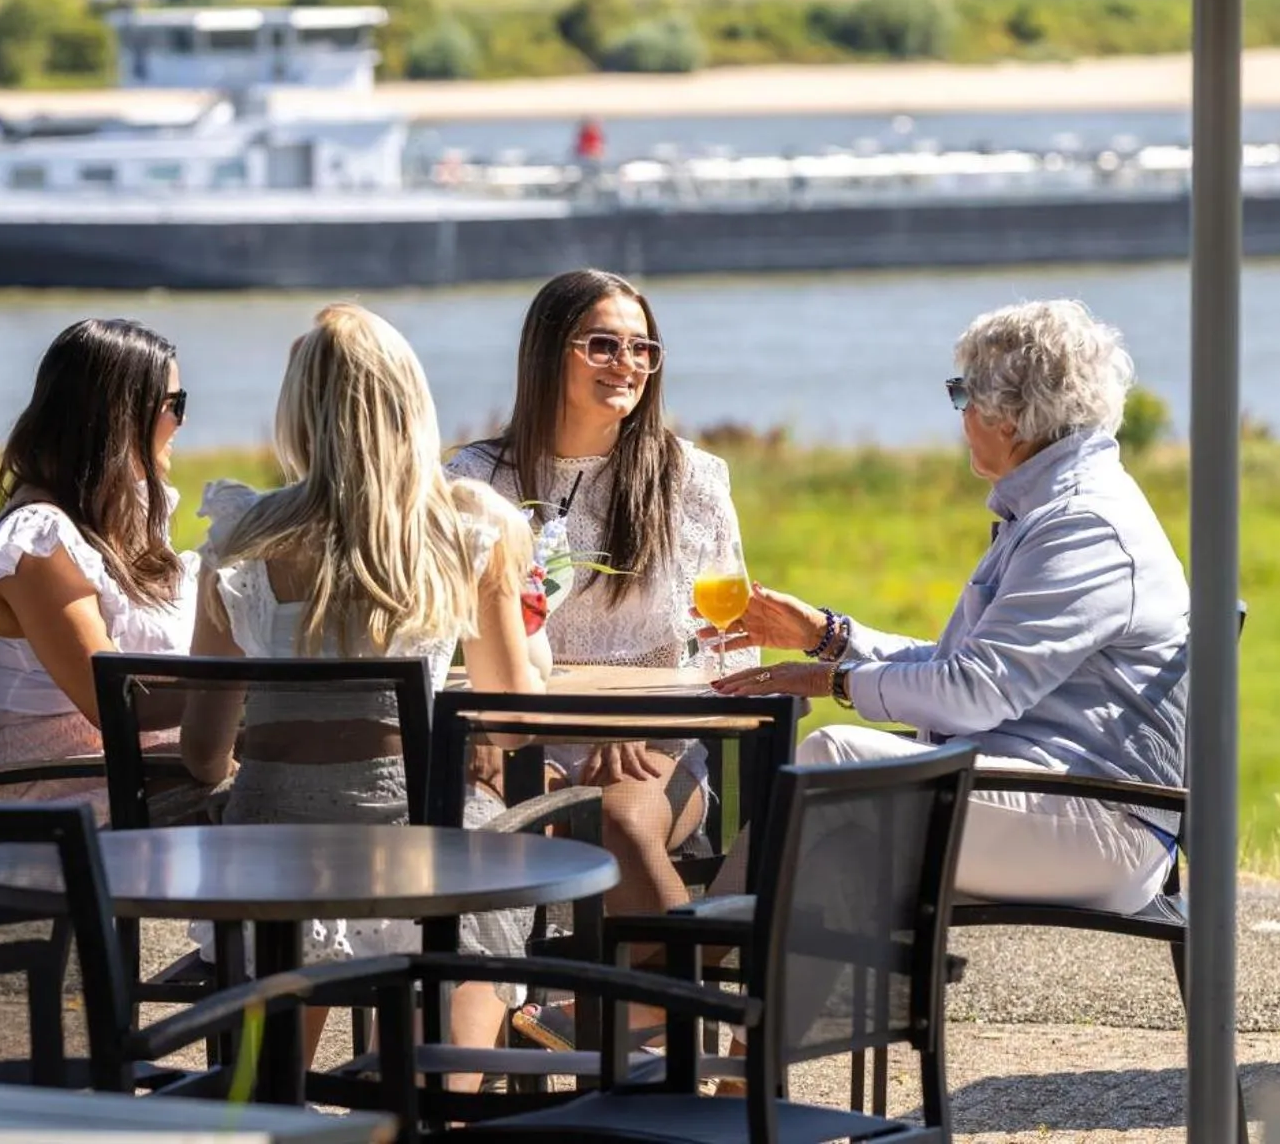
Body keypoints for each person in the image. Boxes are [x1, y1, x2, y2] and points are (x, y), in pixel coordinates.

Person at [712, 299, 1187, 916]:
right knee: (838, 796)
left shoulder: (1082, 525)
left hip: (1100, 827)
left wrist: (835, 682)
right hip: (1052, 798)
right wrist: (829, 637)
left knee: (835, 760)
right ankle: (715, 976)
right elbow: (962, 669)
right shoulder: (1054, 508)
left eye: (963, 396)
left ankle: (688, 976)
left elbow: (974, 692)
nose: (961, 416)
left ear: (1009, 417)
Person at [182, 303, 545, 1077]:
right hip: (414, 853)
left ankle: (273, 1098)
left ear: (299, 409)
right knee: (490, 851)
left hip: (270, 863)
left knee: (268, 1079)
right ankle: (422, 1089)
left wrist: (257, 777)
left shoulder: (240, 540)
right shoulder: (464, 533)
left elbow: (203, 750)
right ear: (412, 406)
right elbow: (513, 722)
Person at [447, 268, 757, 1043]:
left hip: (654, 741)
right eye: (603, 344)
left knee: (613, 812)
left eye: (642, 348)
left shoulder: (691, 478)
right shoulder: (470, 480)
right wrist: (495, 732)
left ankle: (655, 1021)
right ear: (550, 351)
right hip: (509, 738)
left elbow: (723, 639)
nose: (627, 363)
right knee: (469, 824)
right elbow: (443, 634)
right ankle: (476, 1065)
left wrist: (635, 715)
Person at [0, 319, 197, 819]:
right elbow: (117, 703)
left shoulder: (119, 525)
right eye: (174, 405)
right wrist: (252, 689)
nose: (182, 422)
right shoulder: (40, 545)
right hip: (61, 798)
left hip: (139, 776)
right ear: (119, 416)